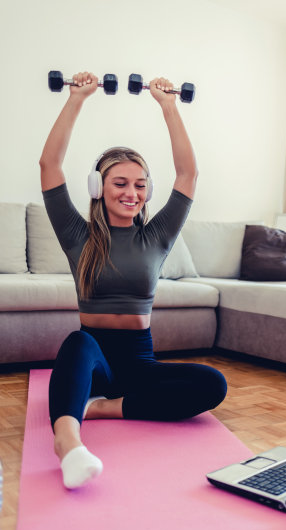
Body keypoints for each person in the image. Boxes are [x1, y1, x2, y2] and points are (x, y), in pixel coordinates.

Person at [39, 71, 227, 490]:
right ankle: (68, 444)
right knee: (77, 343)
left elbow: (188, 174)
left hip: (139, 362)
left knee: (213, 383)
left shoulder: (157, 235)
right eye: (120, 183)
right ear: (97, 186)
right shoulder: (77, 235)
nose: (132, 193)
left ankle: (104, 409)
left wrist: (168, 106)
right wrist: (76, 99)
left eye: (140, 185)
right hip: (94, 361)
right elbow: (49, 165)